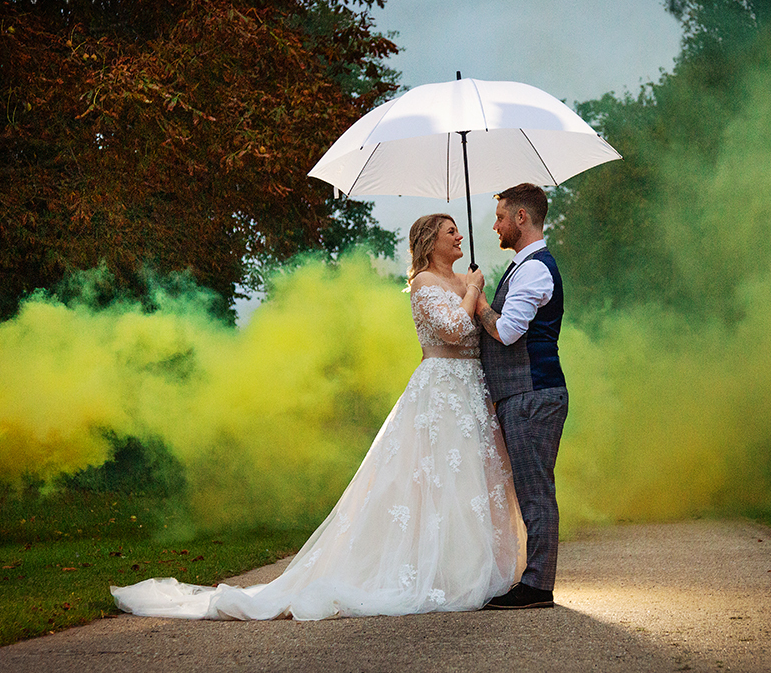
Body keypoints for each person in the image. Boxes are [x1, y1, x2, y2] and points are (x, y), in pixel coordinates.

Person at [110, 214, 525, 620]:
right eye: (450, 232)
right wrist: (472, 291)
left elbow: (486, 330)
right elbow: (452, 329)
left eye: (458, 231)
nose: (459, 237)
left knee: (470, 478)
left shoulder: (464, 281)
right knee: (431, 479)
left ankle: (465, 570)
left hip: (472, 389)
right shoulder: (424, 282)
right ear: (429, 241)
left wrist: (478, 295)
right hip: (439, 391)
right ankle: (427, 573)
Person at [474, 183, 568, 610]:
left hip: (532, 395)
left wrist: (477, 304)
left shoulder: (534, 269)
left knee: (535, 491)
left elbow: (508, 332)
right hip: (524, 394)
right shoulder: (523, 266)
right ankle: (533, 581)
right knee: (531, 489)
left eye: (500, 217)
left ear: (521, 219)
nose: (495, 226)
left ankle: (537, 587)